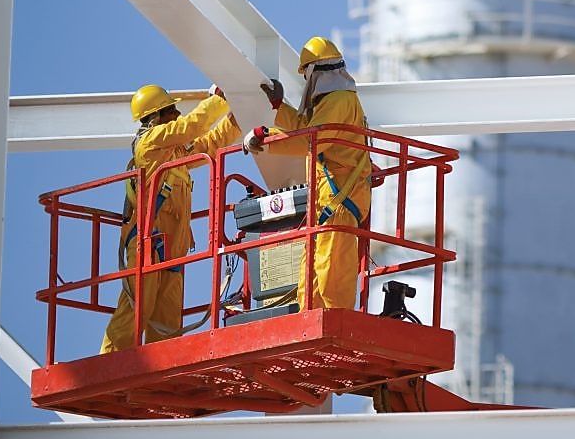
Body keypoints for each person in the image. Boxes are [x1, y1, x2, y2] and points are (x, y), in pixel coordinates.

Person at [100, 83, 241, 353]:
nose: (177, 113)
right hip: (147, 245)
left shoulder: (173, 153)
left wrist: (236, 121)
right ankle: (109, 360)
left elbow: (208, 145)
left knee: (167, 316)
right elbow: (190, 127)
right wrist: (218, 101)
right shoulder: (150, 143)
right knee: (137, 309)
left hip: (171, 250)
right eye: (171, 110)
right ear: (156, 116)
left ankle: (161, 363)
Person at [243, 36, 371, 311]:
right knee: (311, 276)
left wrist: (266, 138)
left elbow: (310, 141)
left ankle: (337, 323)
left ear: (314, 73)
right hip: (330, 200)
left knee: (330, 273)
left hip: (338, 201)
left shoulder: (338, 100)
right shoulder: (335, 101)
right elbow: (309, 128)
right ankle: (311, 320)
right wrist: (280, 107)